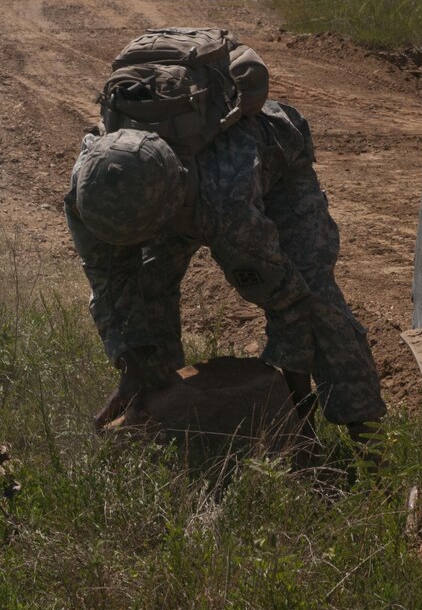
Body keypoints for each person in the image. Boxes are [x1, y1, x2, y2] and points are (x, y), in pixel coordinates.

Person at [65, 99, 386, 447]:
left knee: (317, 297)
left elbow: (289, 304)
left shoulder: (228, 208)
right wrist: (133, 370)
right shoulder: (90, 192)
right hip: (172, 195)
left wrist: (295, 423)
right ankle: (167, 418)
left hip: (275, 171)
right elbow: (110, 286)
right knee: (147, 288)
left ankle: (369, 443)